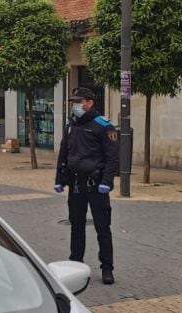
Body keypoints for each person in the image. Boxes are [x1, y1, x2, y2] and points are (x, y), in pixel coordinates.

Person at [55, 87, 119, 285]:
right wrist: (60, 179)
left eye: (79, 101)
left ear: (90, 102)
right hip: (76, 184)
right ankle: (76, 264)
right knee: (77, 226)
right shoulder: (71, 126)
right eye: (74, 102)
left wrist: (107, 182)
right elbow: (64, 153)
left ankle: (107, 268)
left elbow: (112, 158)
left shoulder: (103, 126)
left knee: (102, 227)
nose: (76, 105)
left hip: (96, 184)